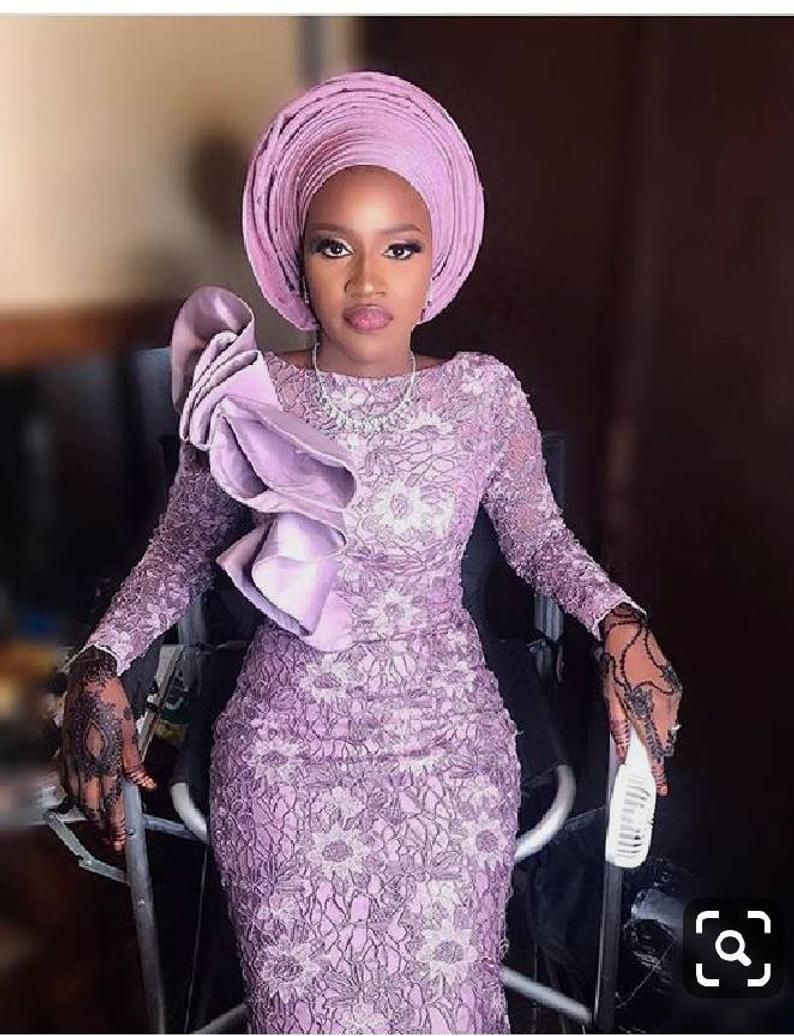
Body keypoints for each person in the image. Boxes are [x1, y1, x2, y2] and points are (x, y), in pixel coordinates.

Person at [59, 70, 683, 1033]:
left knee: (442, 1001)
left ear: (437, 259)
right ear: (296, 259)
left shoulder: (482, 395)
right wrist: (98, 662)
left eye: (399, 247)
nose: (365, 281)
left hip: (446, 736)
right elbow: (180, 549)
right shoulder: (245, 393)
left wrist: (620, 621)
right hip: (287, 741)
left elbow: (538, 538)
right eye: (333, 247)